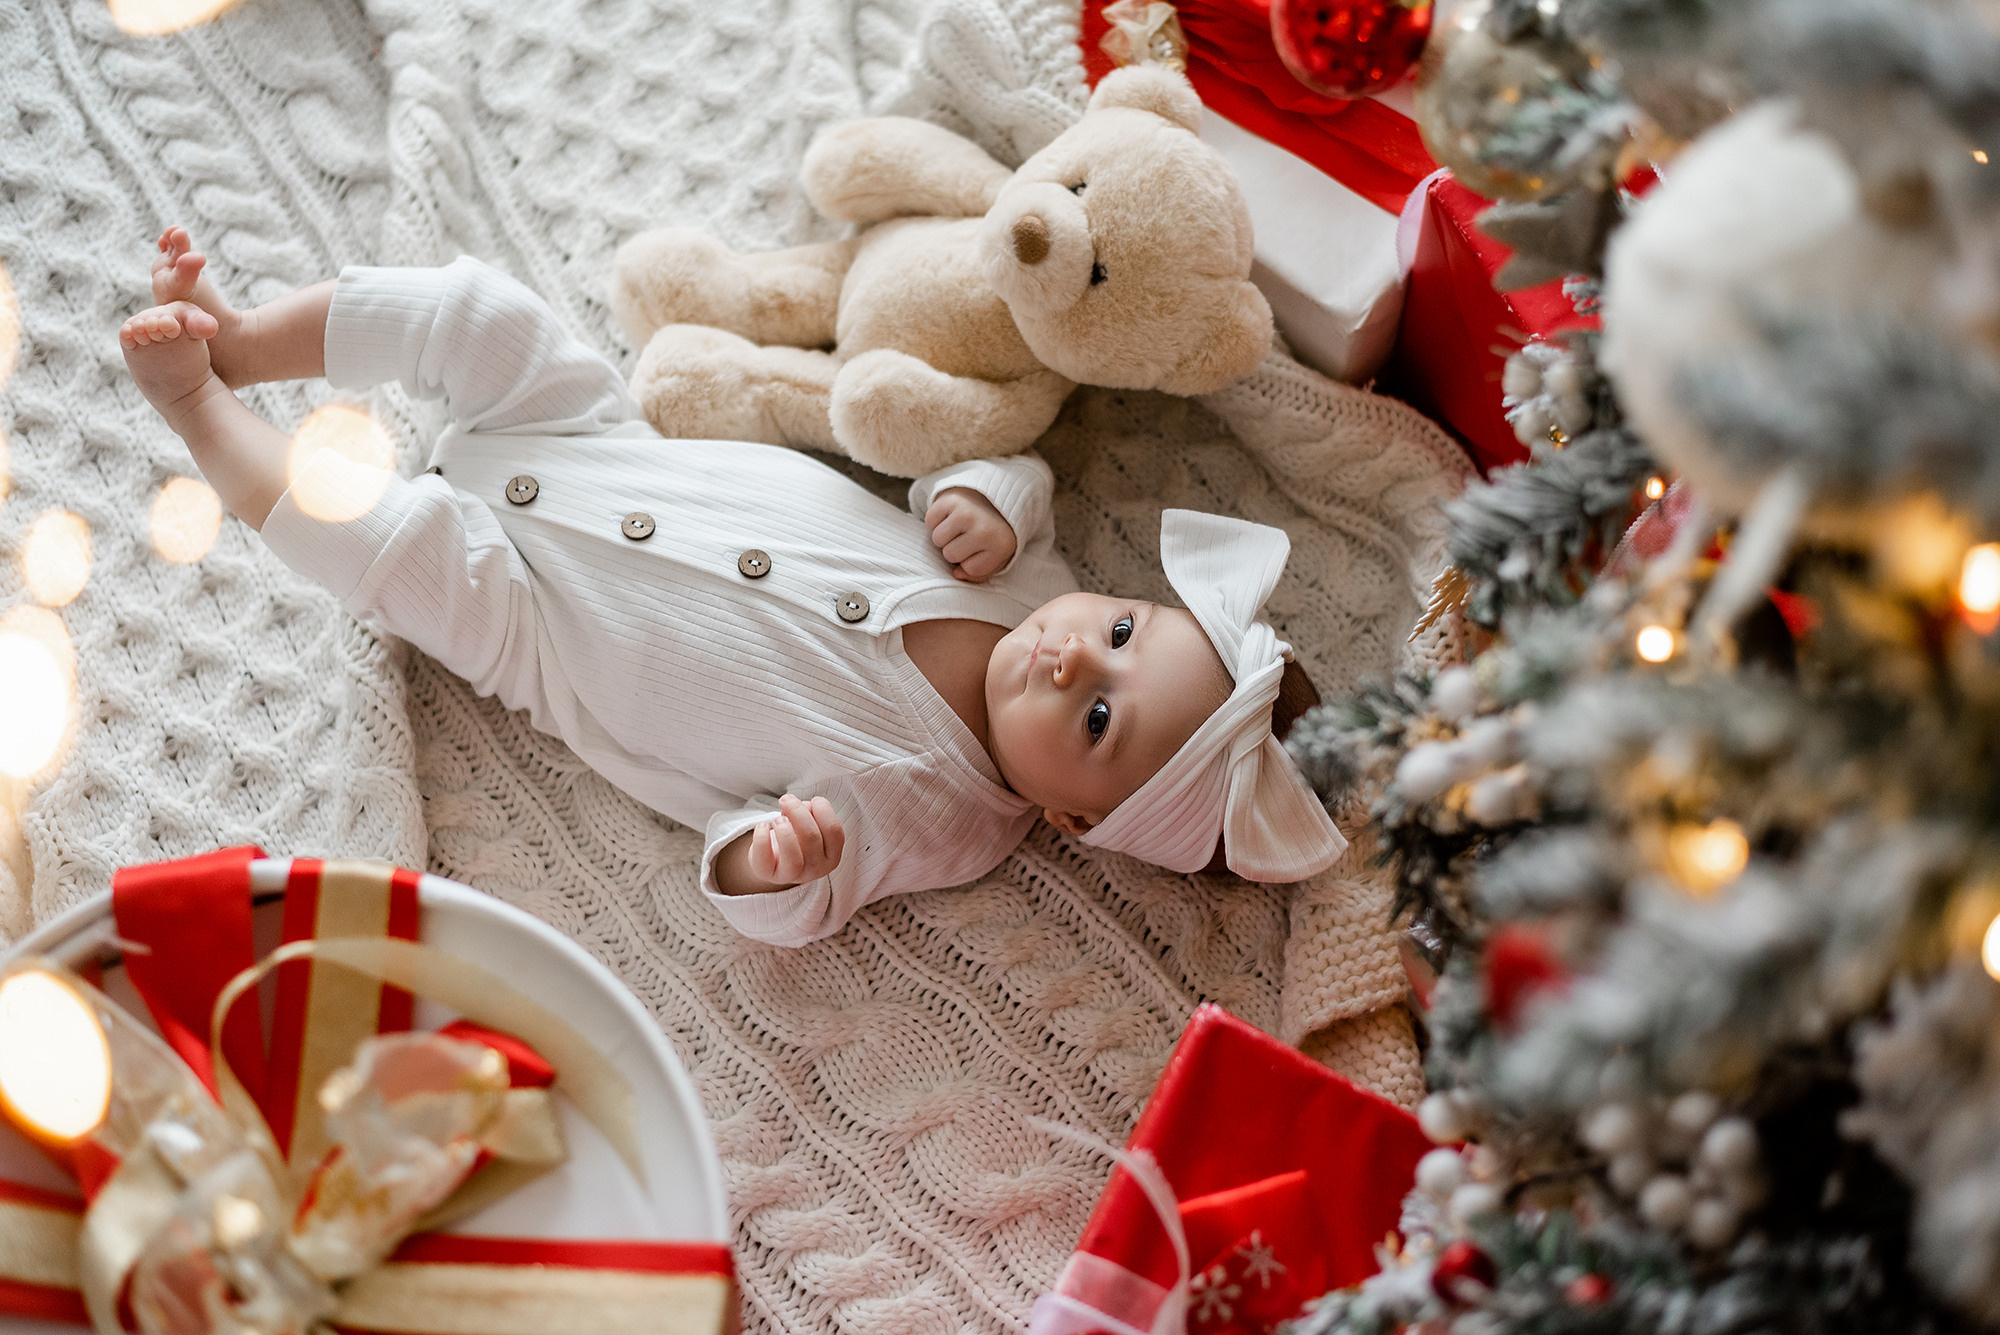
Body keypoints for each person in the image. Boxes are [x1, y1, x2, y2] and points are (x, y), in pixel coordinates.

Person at [119, 228, 1347, 946]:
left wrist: (777, 863)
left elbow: (782, 910)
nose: (1077, 655)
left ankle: (201, 409)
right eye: (1123, 627)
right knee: (480, 313)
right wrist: (982, 495)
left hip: (538, 626)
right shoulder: (1031, 578)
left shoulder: (947, 824)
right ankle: (242, 338)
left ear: (1075, 821)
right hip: (599, 444)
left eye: (1096, 719)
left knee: (383, 544)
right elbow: (1010, 474)